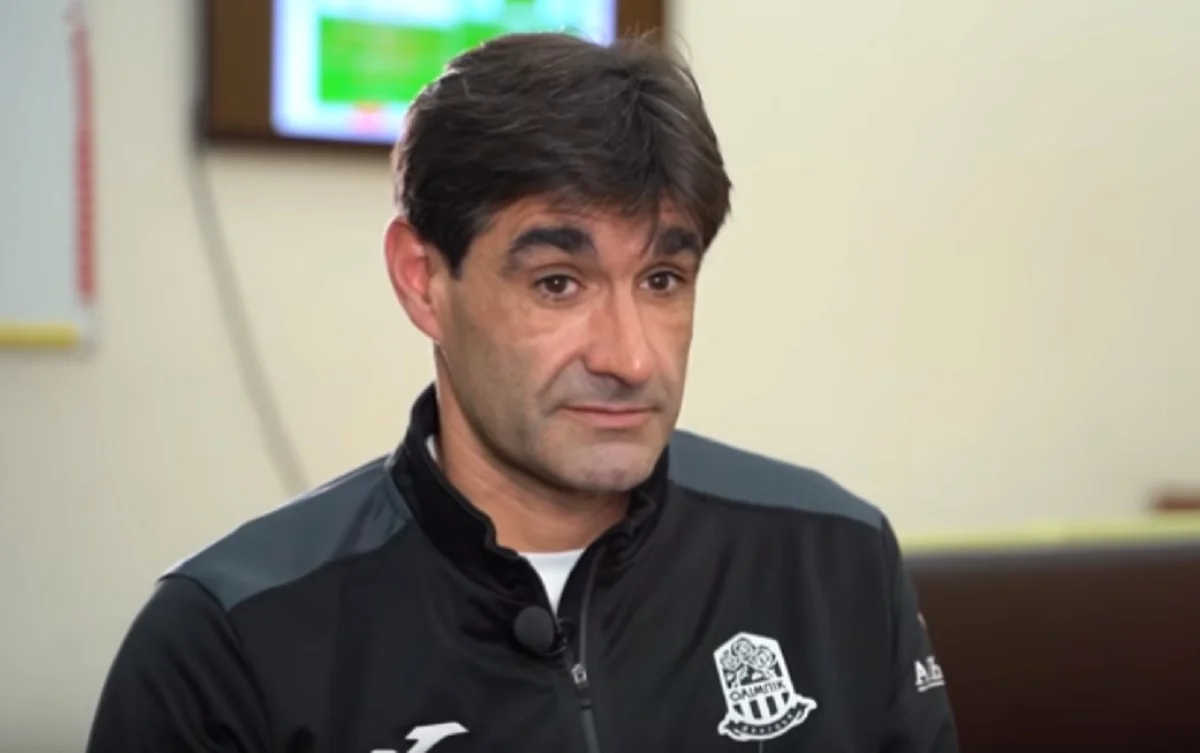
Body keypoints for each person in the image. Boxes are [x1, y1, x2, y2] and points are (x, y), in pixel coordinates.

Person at [86, 32, 958, 753]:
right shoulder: (229, 639)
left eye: (662, 279)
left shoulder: (834, 558)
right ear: (423, 281)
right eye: (557, 283)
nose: (631, 357)